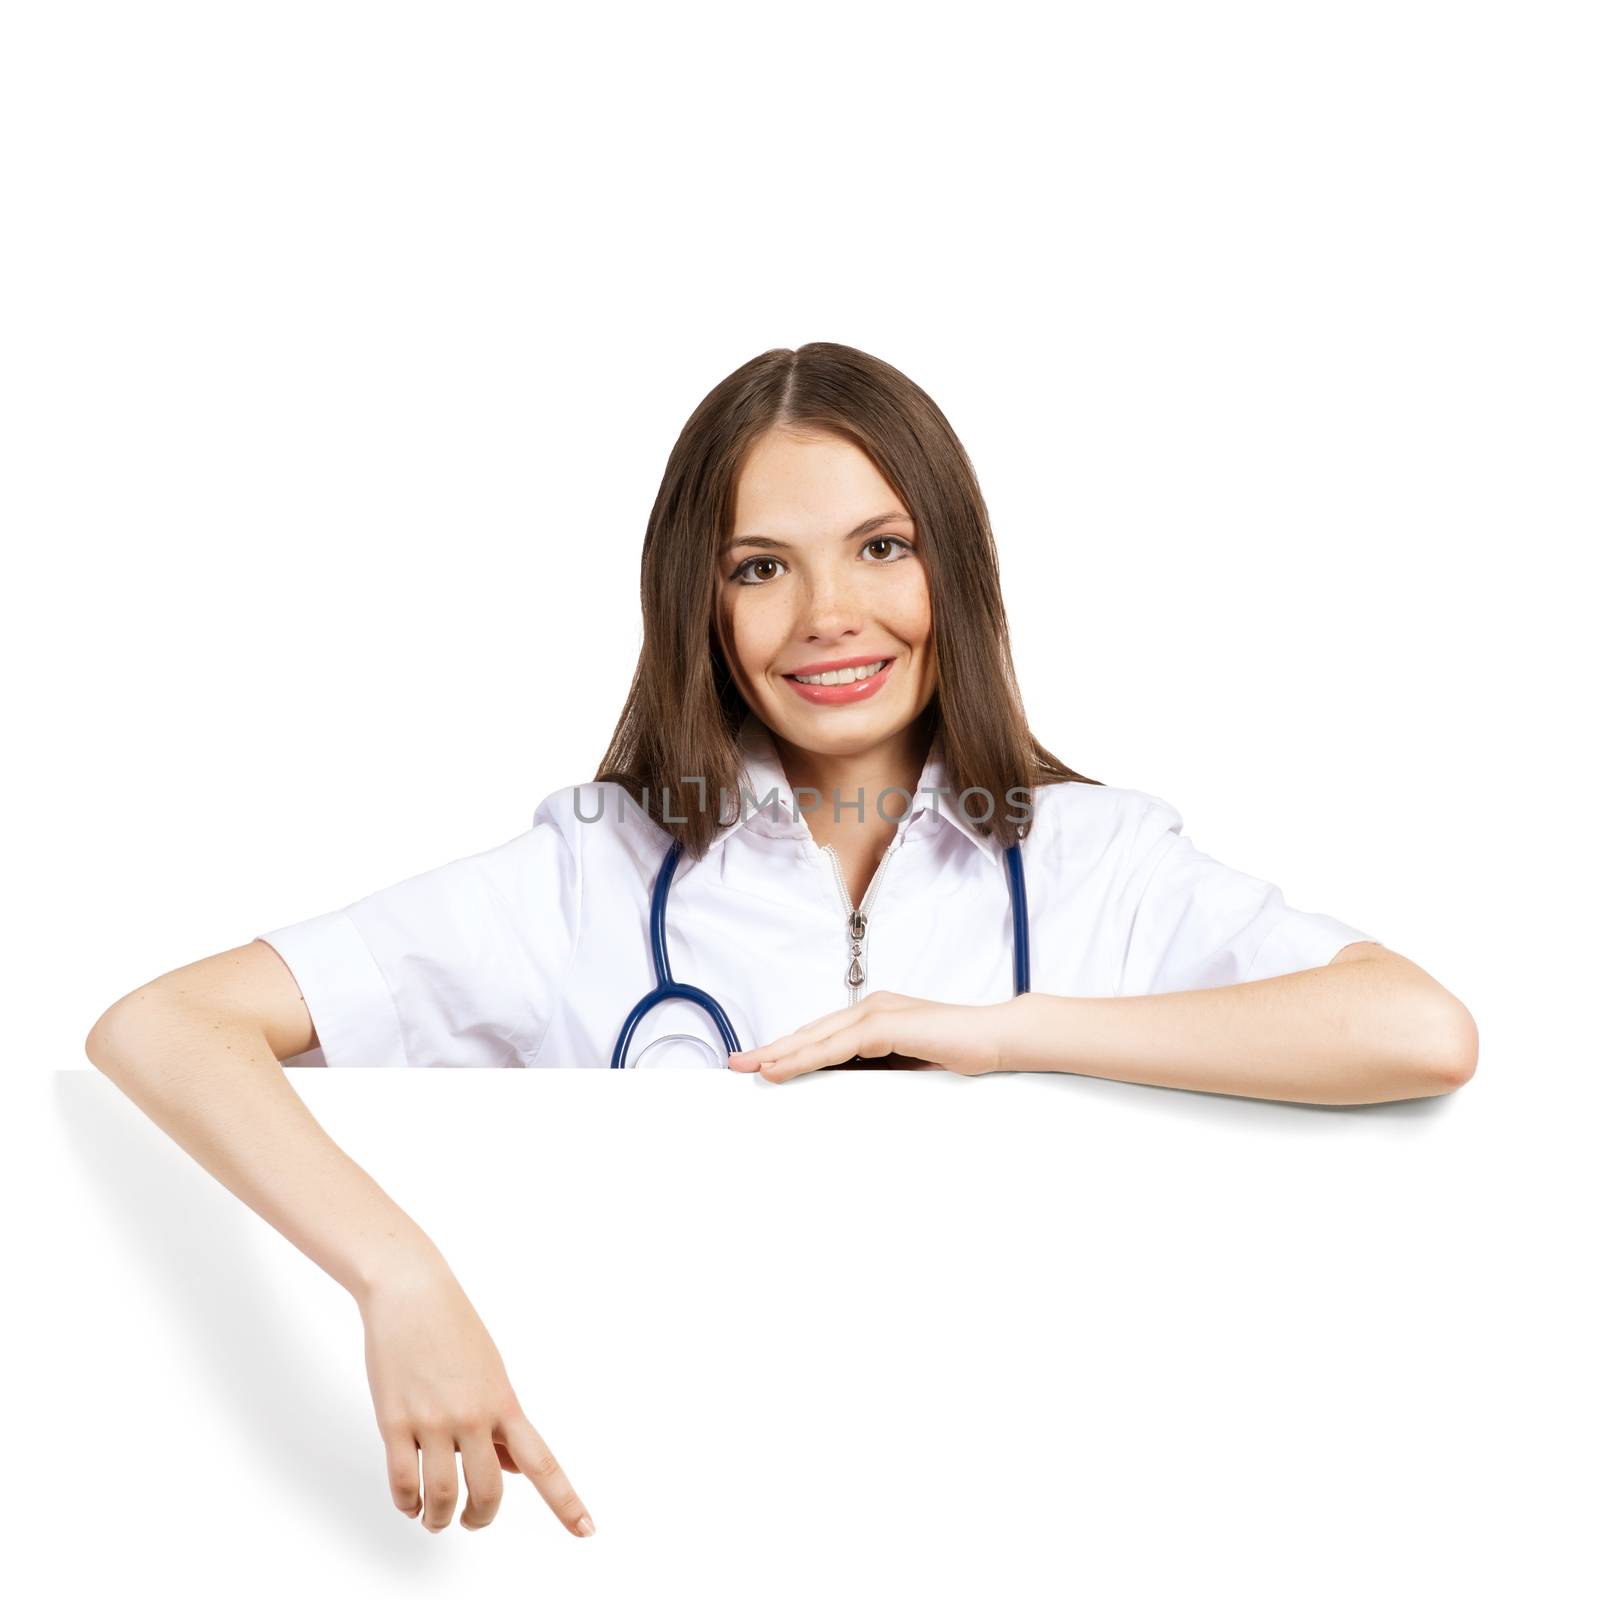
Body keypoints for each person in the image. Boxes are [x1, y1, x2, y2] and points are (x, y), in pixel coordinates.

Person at [84, 342, 1478, 1538]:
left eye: (883, 547)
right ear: (701, 600)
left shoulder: (1095, 860)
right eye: (763, 566)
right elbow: (165, 1026)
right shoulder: (589, 872)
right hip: (681, 1523)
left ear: (957, 571)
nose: (830, 617)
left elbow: (1416, 1030)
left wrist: (993, 1034)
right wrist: (399, 1275)